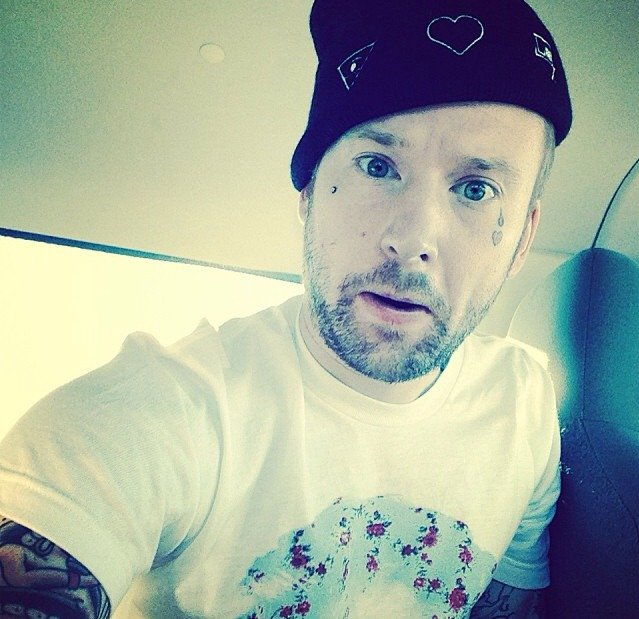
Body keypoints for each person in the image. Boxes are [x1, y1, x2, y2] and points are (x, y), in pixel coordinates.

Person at [0, 0, 572, 616]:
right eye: (377, 167)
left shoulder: (524, 404)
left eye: (476, 189)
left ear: (523, 238)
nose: (412, 242)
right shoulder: (158, 415)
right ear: (308, 193)